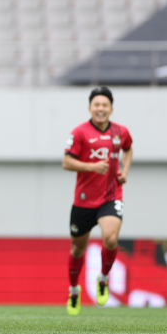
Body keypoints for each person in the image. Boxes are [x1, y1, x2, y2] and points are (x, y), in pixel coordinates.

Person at [62, 86, 133, 315]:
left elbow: (128, 149)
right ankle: (74, 290)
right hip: (83, 201)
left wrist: (125, 170)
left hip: (111, 196)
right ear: (90, 108)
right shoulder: (80, 132)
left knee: (111, 239)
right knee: (76, 249)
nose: (100, 109)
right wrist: (92, 167)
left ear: (111, 108)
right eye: (97, 105)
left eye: (105, 105)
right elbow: (67, 163)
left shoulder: (120, 132)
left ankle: (103, 278)